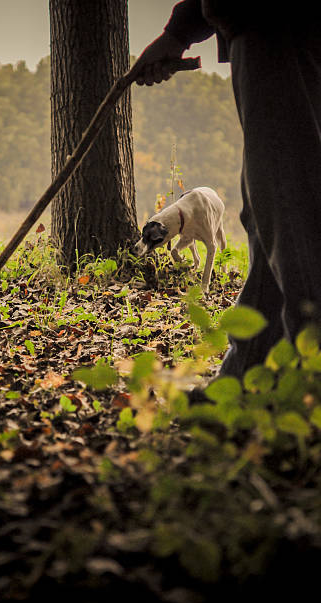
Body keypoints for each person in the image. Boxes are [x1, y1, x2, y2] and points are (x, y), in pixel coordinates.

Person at [135, 1, 321, 379]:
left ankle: (306, 387)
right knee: (270, 214)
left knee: (287, 206)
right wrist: (180, 32)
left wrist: (180, 32)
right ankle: (246, 379)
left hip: (272, 27)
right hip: (270, 28)